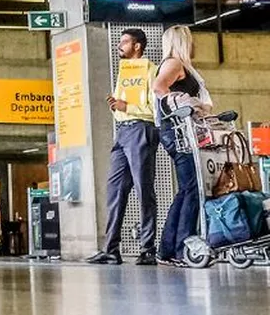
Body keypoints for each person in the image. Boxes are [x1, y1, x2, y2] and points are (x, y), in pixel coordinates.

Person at [87, 28, 159, 266]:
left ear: (137, 46)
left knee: (143, 189)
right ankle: (110, 249)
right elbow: (124, 104)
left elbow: (153, 110)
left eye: (125, 42)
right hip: (123, 131)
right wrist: (117, 107)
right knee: (115, 190)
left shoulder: (151, 71)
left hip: (141, 128)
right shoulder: (124, 72)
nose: (120, 45)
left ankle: (148, 248)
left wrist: (126, 107)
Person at [153, 25, 212, 267]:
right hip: (178, 133)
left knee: (186, 189)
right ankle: (181, 246)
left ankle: (167, 248)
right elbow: (159, 87)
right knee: (193, 189)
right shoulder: (174, 63)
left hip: (177, 133)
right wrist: (179, 101)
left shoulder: (179, 65)